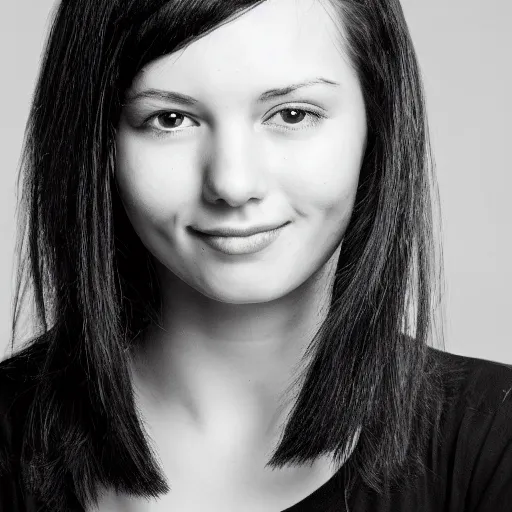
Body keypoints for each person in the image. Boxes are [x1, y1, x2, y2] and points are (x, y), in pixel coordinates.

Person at [1, 0, 511, 510]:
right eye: (170, 118)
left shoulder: (495, 444)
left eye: (292, 114)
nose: (232, 183)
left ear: (376, 124)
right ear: (97, 143)